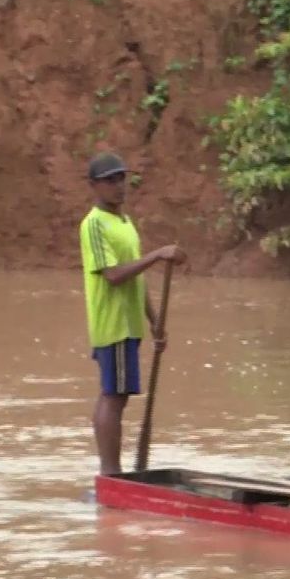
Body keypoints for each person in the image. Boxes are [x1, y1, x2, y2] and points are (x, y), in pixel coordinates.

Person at [79, 152, 185, 475]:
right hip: (113, 324)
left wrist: (154, 323)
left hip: (129, 323)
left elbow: (135, 280)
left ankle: (110, 473)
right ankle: (111, 473)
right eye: (110, 180)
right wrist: (157, 254)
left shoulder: (125, 223)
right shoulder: (94, 224)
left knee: (116, 395)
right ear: (95, 185)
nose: (118, 185)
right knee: (114, 396)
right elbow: (112, 275)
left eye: (121, 178)